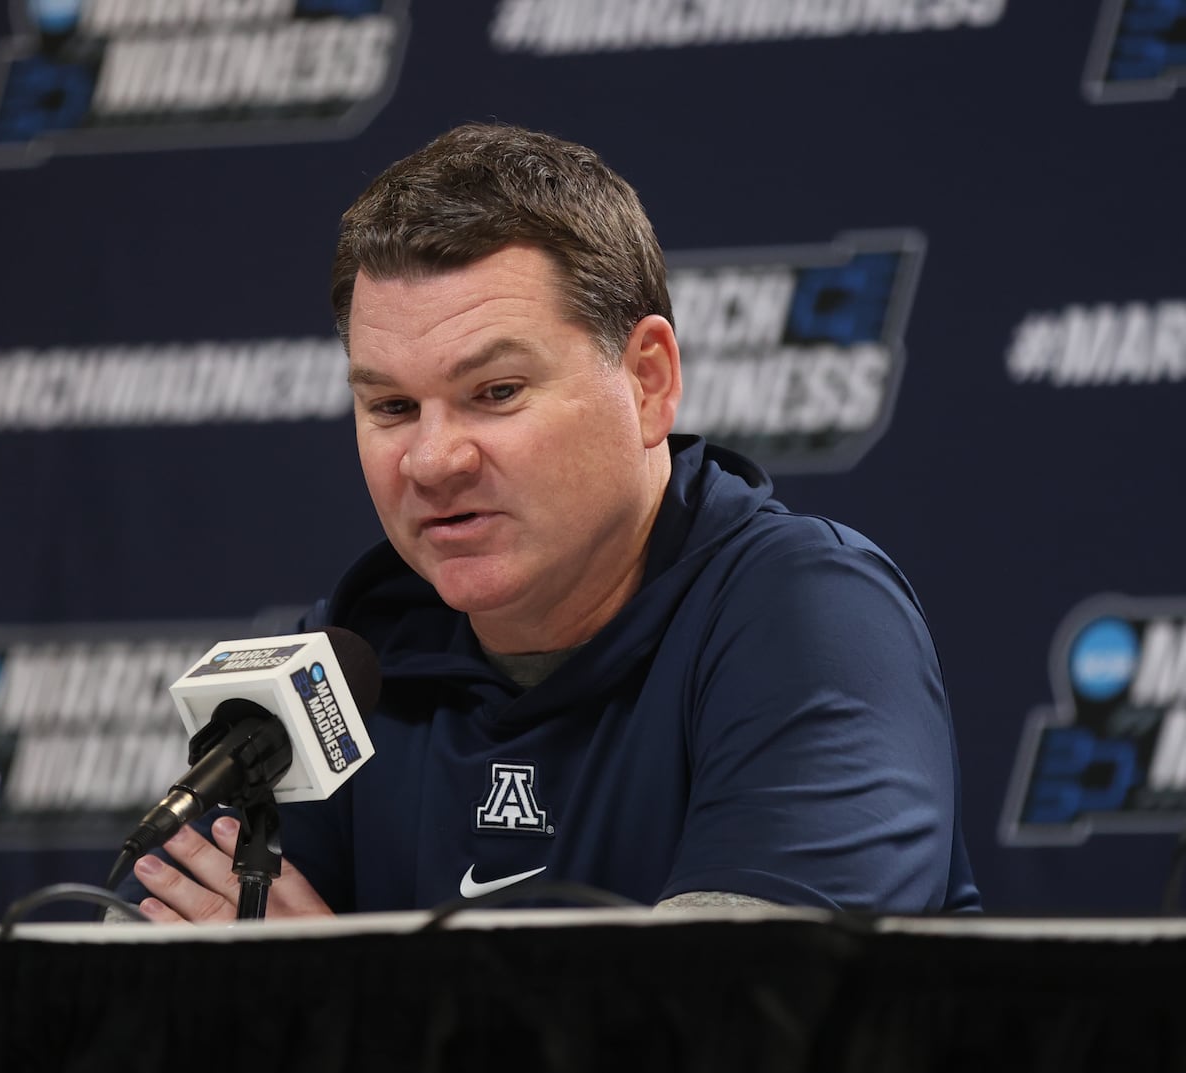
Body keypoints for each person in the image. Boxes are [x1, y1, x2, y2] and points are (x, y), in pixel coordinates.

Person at [118, 122, 980, 921]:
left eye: (495, 393)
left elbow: (743, 1010)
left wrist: (343, 1004)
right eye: (391, 405)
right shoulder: (352, 662)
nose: (432, 459)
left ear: (648, 381)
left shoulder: (807, 614)